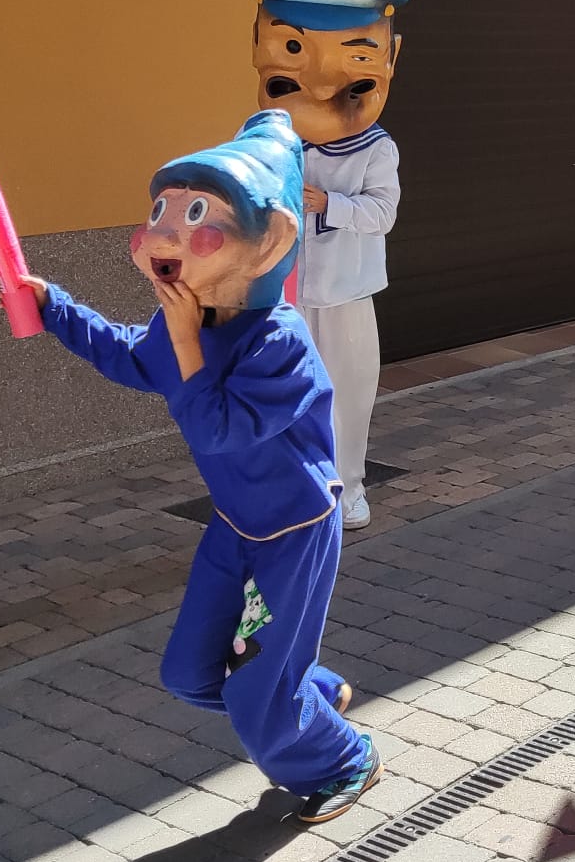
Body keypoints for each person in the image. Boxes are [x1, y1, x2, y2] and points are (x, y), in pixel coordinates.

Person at [21, 112, 381, 822]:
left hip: (294, 531)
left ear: (269, 241)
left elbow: (217, 427)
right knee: (189, 674)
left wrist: (184, 337)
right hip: (235, 525)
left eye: (195, 216)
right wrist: (52, 307)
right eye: (161, 213)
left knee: (254, 698)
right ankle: (303, 696)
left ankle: (344, 759)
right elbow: (131, 355)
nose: (162, 234)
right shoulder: (191, 323)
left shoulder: (279, 341)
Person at [251, 0, 409, 533]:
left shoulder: (376, 148)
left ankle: (349, 489)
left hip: (345, 293)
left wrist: (329, 203)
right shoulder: (268, 139)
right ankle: (295, 488)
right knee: (282, 395)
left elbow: (383, 213)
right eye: (292, 47)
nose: (319, 80)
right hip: (282, 294)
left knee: (346, 394)